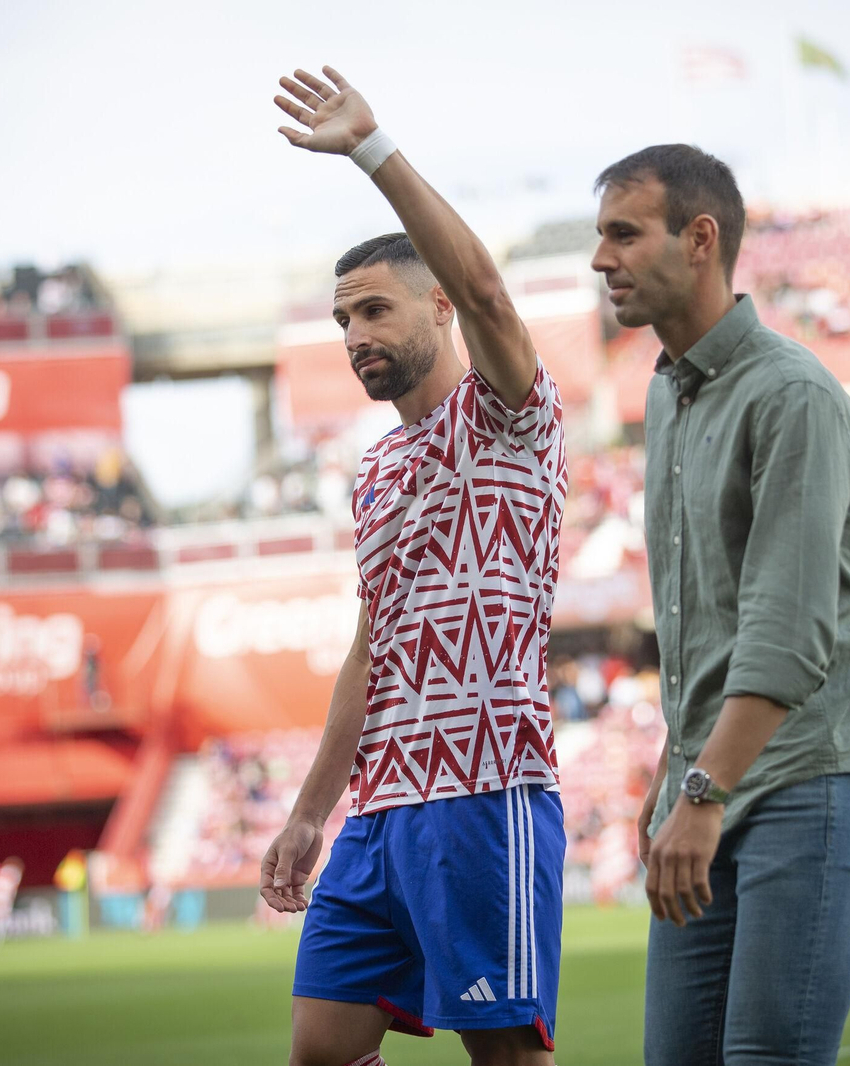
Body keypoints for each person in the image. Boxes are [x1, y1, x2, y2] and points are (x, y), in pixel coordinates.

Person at [589, 144, 850, 1066]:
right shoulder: (666, 397)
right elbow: (705, 626)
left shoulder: (794, 394)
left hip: (806, 778)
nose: (600, 259)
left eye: (624, 234)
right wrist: (676, 772)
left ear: (700, 239)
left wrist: (702, 791)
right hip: (713, 780)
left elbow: (784, 628)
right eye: (599, 236)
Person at [261, 66, 569, 1066]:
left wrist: (370, 150)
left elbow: (485, 284)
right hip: (378, 814)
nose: (355, 336)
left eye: (375, 310)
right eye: (343, 319)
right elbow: (370, 646)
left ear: (438, 310)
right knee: (320, 1050)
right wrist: (312, 811)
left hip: (484, 794)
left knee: (504, 1058)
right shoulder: (378, 466)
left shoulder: (509, 415)